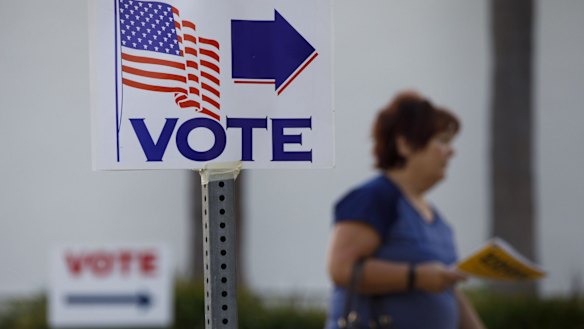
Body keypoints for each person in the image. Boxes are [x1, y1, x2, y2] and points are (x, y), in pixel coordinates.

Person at [325, 91, 486, 329]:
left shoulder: (435, 217)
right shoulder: (374, 198)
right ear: (405, 145)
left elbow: (447, 292)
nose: (451, 151)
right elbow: (341, 269)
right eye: (442, 141)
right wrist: (417, 277)